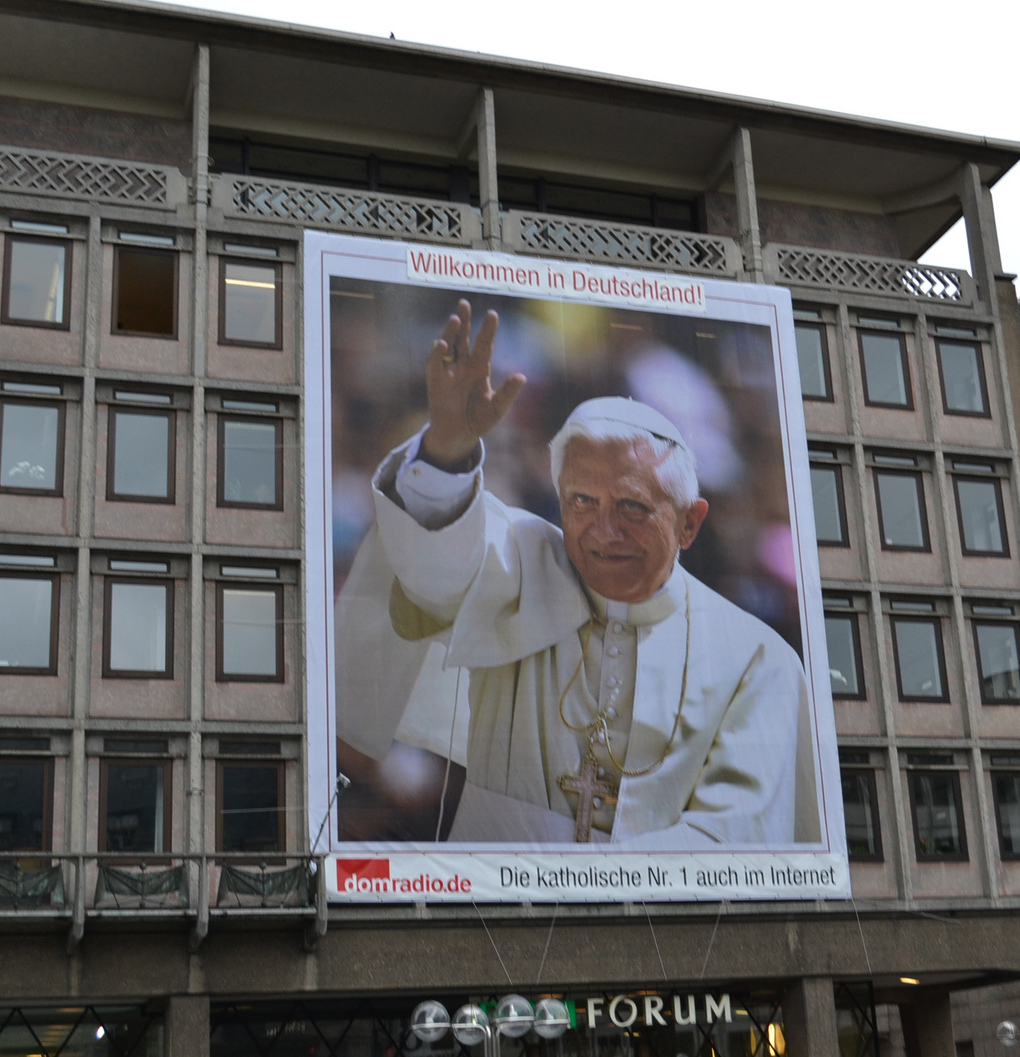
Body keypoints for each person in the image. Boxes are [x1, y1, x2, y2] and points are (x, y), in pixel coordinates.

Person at [334, 299, 815, 847]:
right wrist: (446, 450)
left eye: (632, 507)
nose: (603, 530)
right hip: (492, 913)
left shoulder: (754, 659)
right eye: (582, 501)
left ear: (689, 522)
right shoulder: (524, 571)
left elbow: (738, 835)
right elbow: (434, 567)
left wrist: (582, 880)